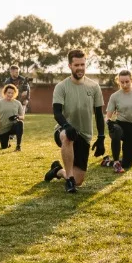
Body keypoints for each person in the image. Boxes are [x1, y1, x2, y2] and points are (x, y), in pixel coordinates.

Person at [43, 49, 106, 193]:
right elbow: (57, 112)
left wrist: (101, 137)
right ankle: (69, 181)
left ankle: (58, 171)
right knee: (68, 136)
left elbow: (98, 113)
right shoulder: (61, 87)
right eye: (76, 65)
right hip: (63, 130)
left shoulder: (94, 87)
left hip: (84, 135)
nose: (80, 68)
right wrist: (66, 125)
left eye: (82, 65)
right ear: (70, 66)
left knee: (79, 180)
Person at [103, 69, 132, 173]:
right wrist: (109, 122)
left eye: (127, 81)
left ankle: (107, 162)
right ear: (118, 82)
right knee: (116, 131)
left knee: (128, 164)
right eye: (122, 82)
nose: (124, 84)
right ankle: (115, 162)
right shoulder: (115, 96)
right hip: (120, 125)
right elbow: (108, 116)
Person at [0, 84, 26, 151]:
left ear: (15, 94)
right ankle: (7, 141)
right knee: (4, 147)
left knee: (20, 123)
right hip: (3, 128)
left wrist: (17, 117)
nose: (10, 94)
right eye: (9, 92)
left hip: (13, 126)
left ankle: (18, 146)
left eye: (12, 93)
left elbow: (22, 117)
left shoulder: (18, 103)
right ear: (5, 92)